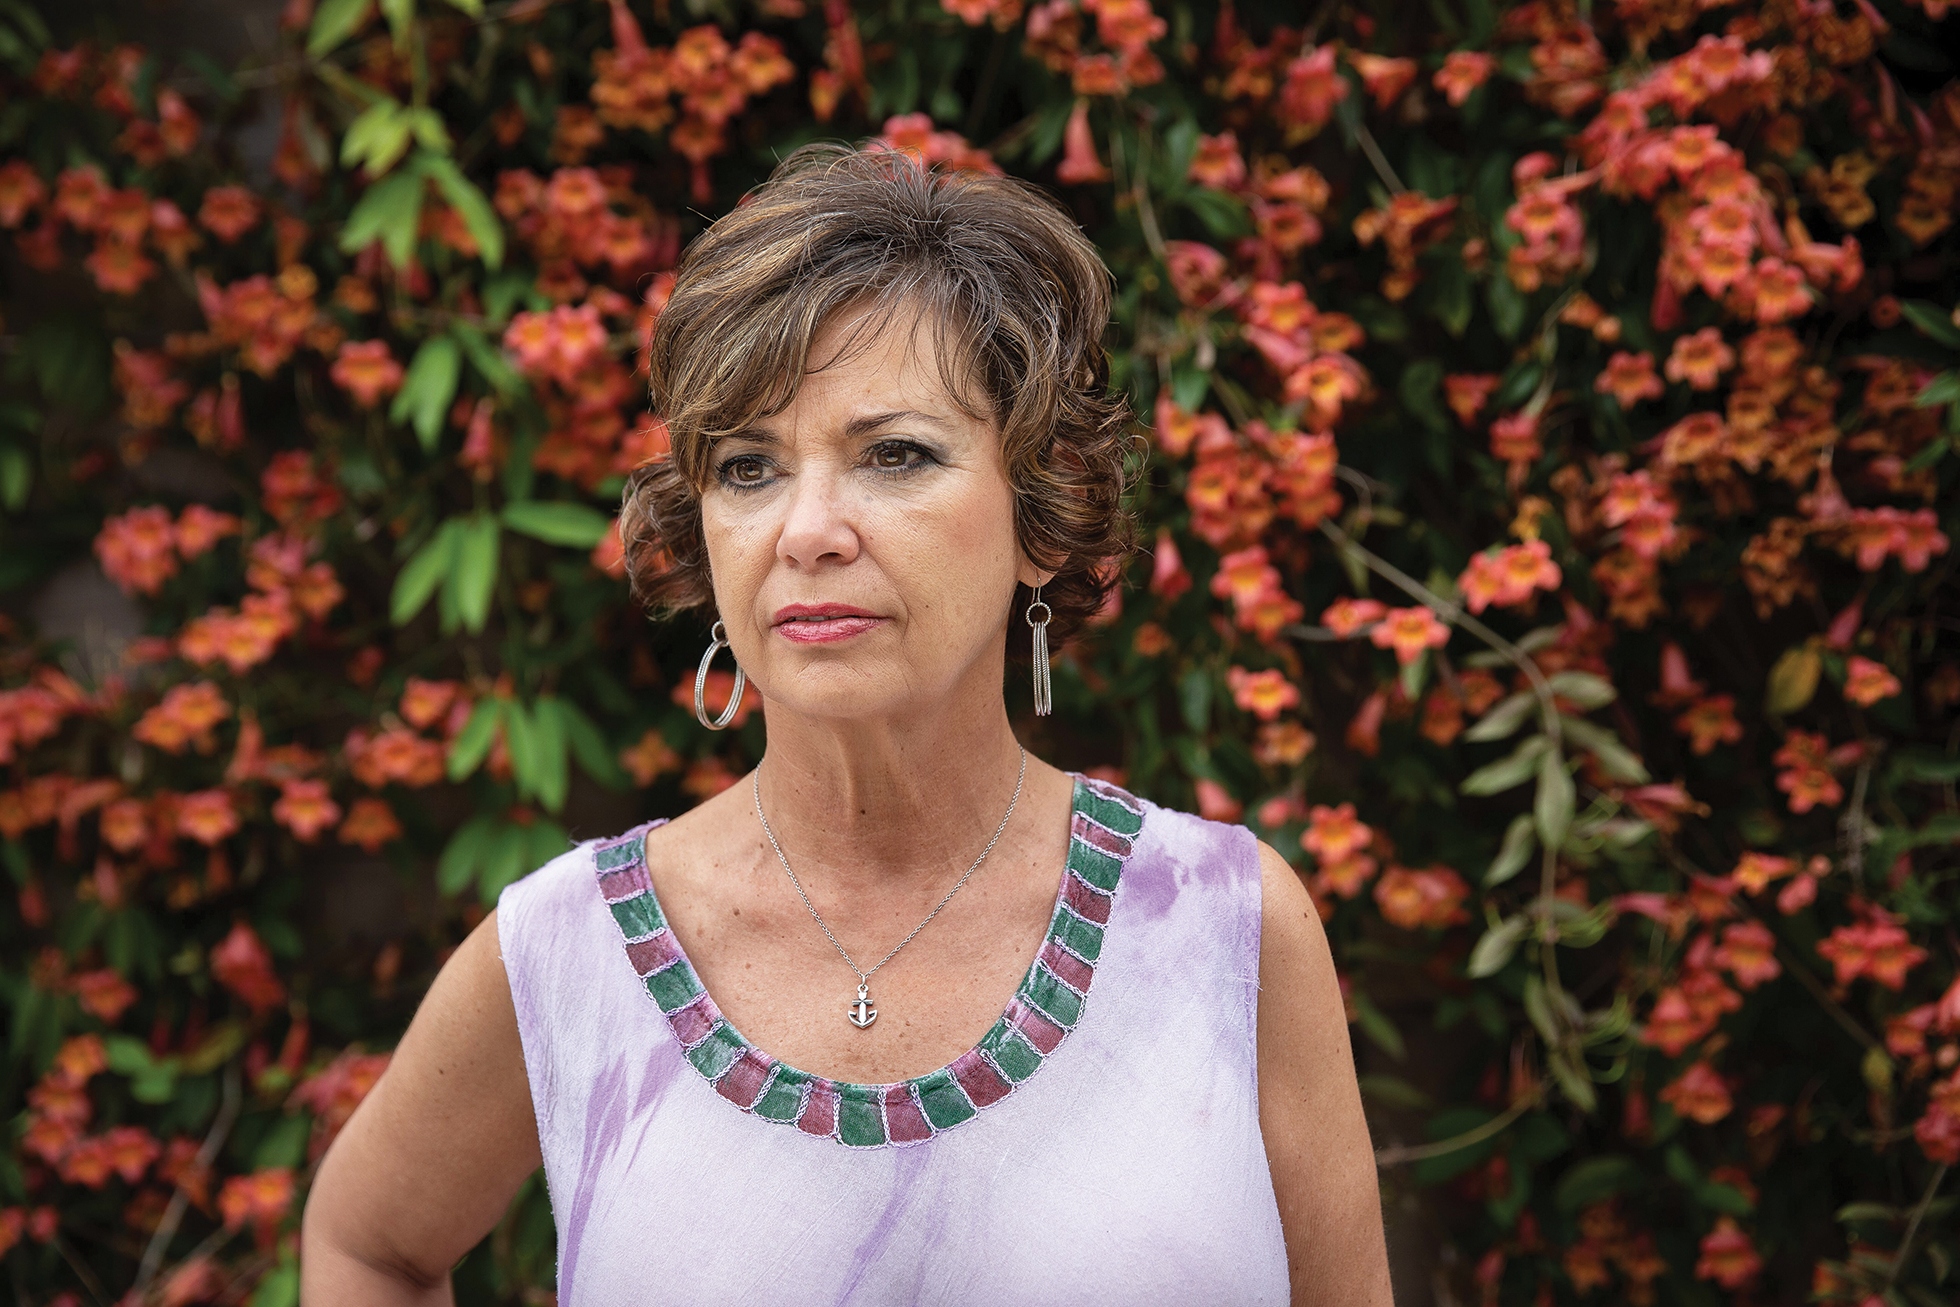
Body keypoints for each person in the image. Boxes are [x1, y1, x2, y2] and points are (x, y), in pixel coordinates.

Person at [301, 144, 1392, 1306]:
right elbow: (372, 1241)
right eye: (749, 467)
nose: (807, 528)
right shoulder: (576, 949)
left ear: (1043, 515)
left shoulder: (1224, 930)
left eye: (896, 454)